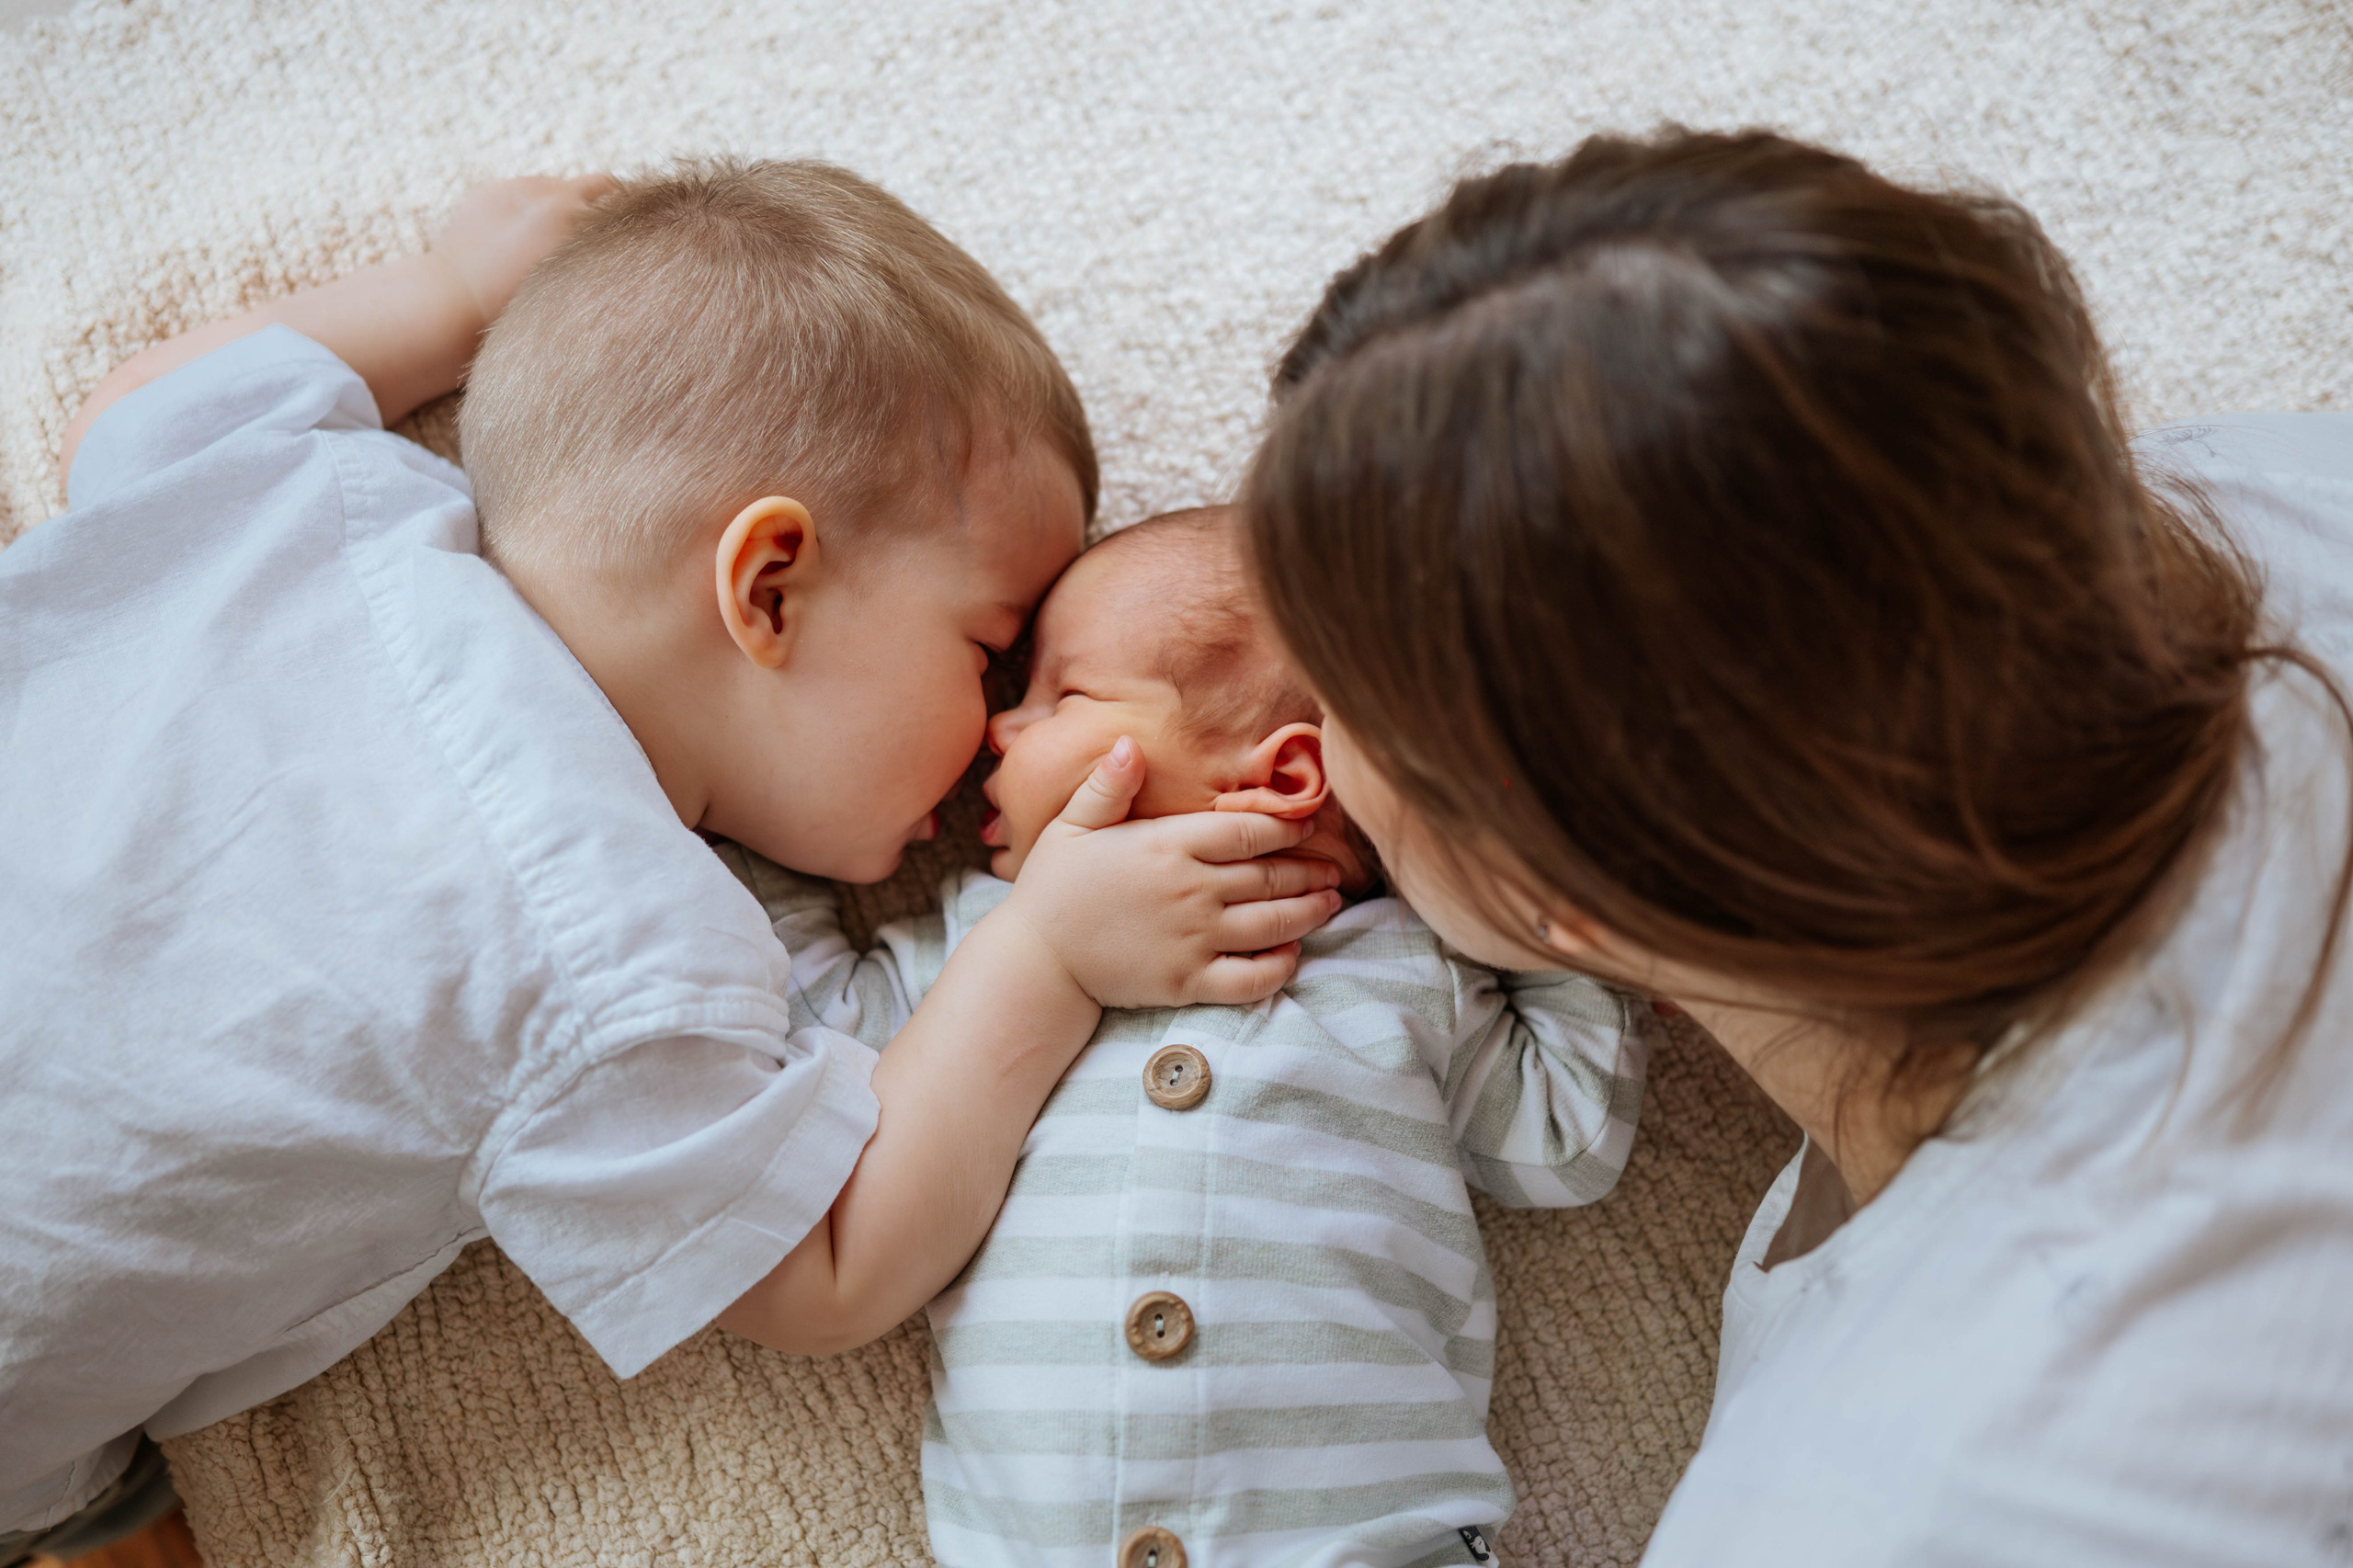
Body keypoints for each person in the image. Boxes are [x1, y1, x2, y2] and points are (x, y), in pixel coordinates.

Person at [0, 161, 1338, 1557]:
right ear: (768, 587)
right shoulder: (617, 956)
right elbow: (829, 1267)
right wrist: (1048, 952)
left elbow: (129, 416)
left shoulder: (318, 496)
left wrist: (448, 299)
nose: (999, 728)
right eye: (986, 647)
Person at [1240, 128, 2353, 1566]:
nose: (1299, 740)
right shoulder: (2282, 493)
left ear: (1554, 887)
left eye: (1336, 695)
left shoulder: (1884, 1499)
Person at [722, 506, 1646, 1568]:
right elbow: (809, 1021)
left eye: (1059, 695)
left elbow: (1562, 1143)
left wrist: (1533, 884)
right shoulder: (979, 951)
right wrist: (742, 813)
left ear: (1280, 777)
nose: (996, 729)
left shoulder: (1405, 961)